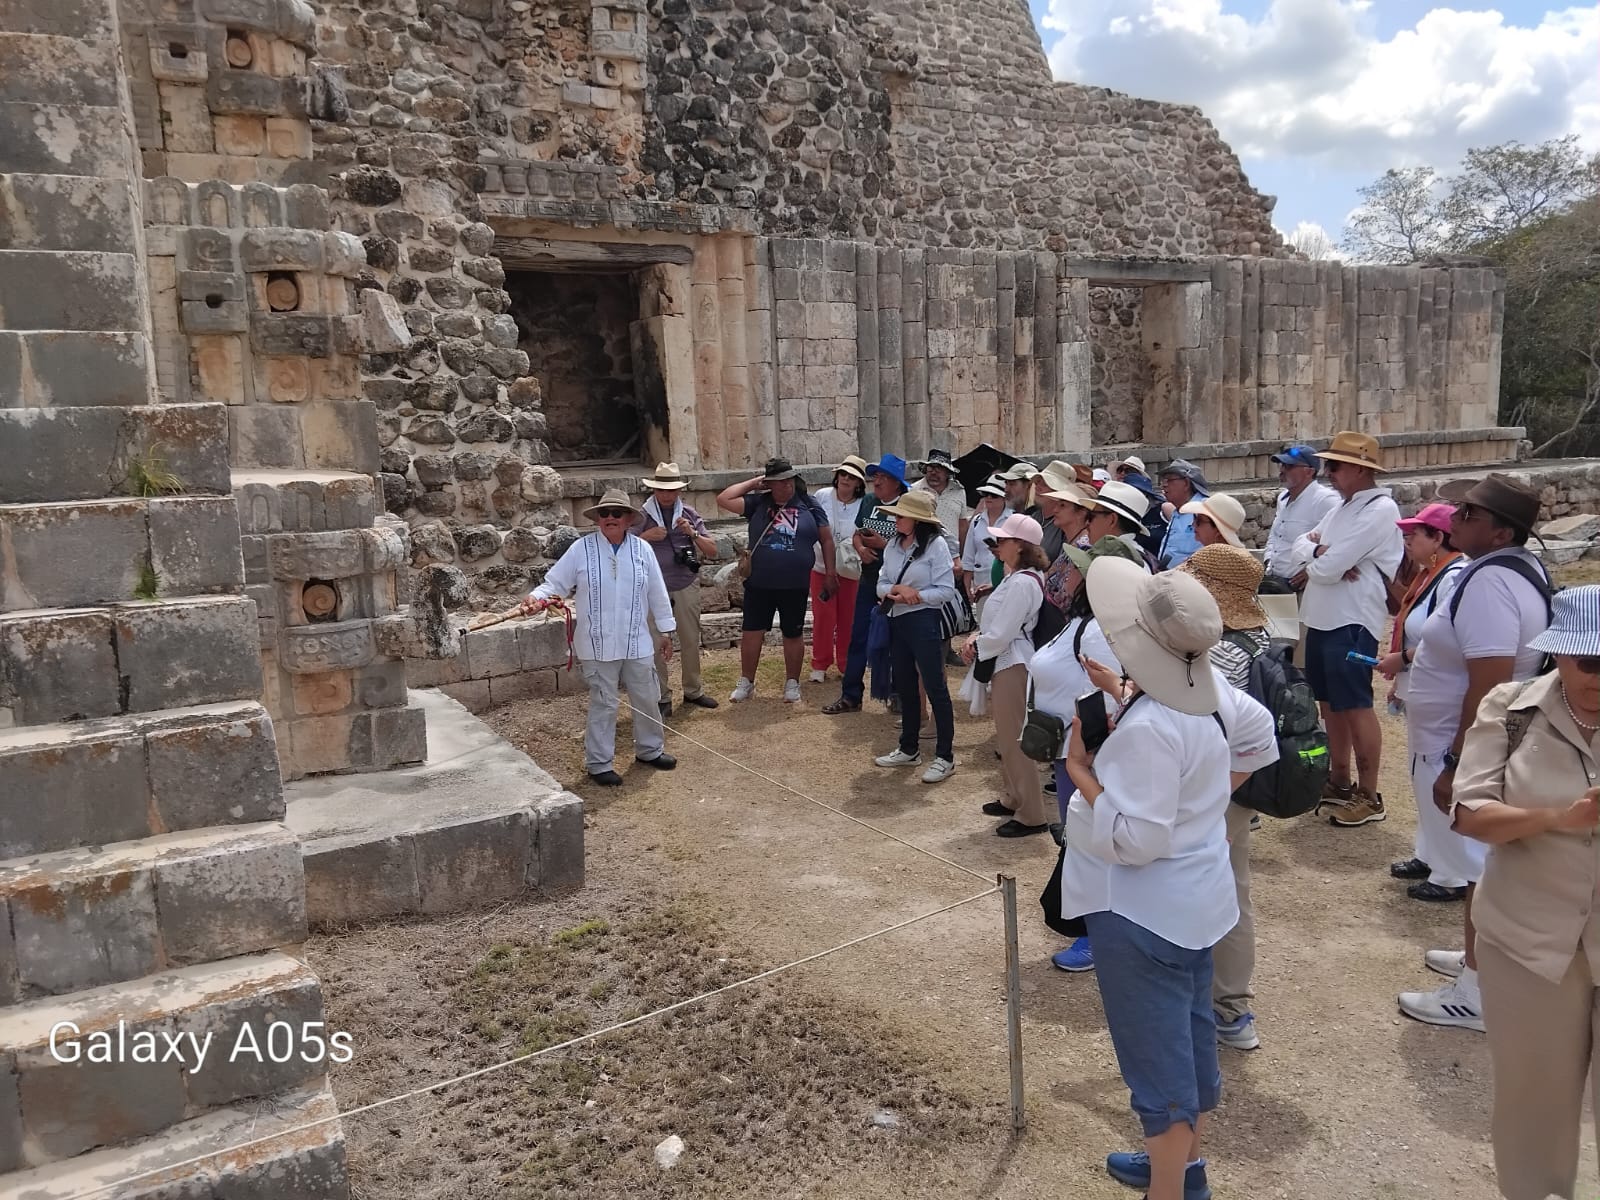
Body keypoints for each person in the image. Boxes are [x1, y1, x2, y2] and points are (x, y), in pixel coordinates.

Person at [1059, 560, 1277, 1200]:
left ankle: (1171, 1186)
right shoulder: (1211, 701)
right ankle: (1181, 1169)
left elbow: (1135, 842)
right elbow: (1254, 742)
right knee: (1190, 1039)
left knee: (1157, 1068)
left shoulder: (1153, 726)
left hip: (1141, 913)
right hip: (1197, 902)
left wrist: (1081, 771)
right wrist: (1201, 807)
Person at [1450, 587, 1600, 1200]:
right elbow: (1469, 813)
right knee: (1532, 1108)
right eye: (1590, 661)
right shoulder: (1512, 709)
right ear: (1560, 654)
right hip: (1528, 943)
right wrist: (1560, 819)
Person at [1396, 475, 1552, 1033]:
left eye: (1470, 512)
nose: (1455, 518)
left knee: (1475, 871)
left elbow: (1489, 682)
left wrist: (1458, 764)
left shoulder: (1488, 583)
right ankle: (1477, 960)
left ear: (1501, 530)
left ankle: (1476, 993)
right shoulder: (1511, 570)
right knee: (1478, 867)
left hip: (1459, 745)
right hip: (1469, 739)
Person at [1180, 544, 1276, 1053]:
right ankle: (1232, 1006)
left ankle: (1206, 1000)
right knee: (1235, 890)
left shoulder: (1215, 649)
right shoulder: (1259, 637)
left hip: (1214, 787)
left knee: (1198, 888)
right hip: (1241, 783)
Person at [1284, 431, 1403, 825]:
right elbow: (1301, 545)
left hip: (1352, 618)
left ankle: (1369, 794)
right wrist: (1319, 552)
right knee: (1329, 703)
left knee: (1354, 704)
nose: (1328, 472)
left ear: (1358, 468)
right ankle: (1340, 779)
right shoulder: (1342, 508)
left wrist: (1320, 561)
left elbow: (1331, 567)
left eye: (1334, 465)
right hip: (1321, 615)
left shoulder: (1380, 509)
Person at [522, 489, 677, 787]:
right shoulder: (581, 549)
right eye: (604, 514)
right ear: (598, 519)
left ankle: (650, 749)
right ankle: (599, 762)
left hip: (637, 640)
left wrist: (665, 631)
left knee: (647, 696)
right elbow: (554, 584)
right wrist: (534, 598)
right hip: (596, 642)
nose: (610, 518)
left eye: (616, 513)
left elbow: (657, 592)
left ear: (629, 519)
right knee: (604, 703)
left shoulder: (642, 551)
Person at [1376, 503, 1466, 883]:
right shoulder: (1432, 574)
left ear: (1439, 538)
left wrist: (1405, 659)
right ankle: (1430, 853)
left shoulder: (1454, 576)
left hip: (1444, 691)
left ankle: (1453, 872)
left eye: (1416, 534)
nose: (1407, 540)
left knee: (1436, 775)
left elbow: (1450, 637)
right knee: (1421, 773)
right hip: (1424, 687)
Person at [717, 458, 837, 704]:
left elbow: (826, 539)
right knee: (752, 631)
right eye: (781, 482)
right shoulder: (758, 503)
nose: (788, 486)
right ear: (770, 484)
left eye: (790, 480)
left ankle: (792, 682)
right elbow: (724, 499)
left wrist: (830, 573)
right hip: (760, 582)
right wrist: (753, 483)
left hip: (794, 583)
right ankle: (747, 681)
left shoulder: (809, 504)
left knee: (792, 633)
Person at [961, 513, 1049, 837]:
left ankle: (1031, 813)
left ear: (1021, 545)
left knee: (1015, 740)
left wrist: (974, 643)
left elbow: (1001, 634)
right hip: (1007, 661)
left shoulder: (1023, 582)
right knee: (1007, 737)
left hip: (1012, 663)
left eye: (1004, 540)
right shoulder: (1018, 577)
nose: (997, 545)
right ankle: (1015, 797)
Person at [871, 489, 959, 784]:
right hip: (897, 620)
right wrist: (894, 592)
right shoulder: (893, 545)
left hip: (923, 621)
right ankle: (909, 748)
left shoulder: (937, 546)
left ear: (918, 520)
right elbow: (881, 583)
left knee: (935, 687)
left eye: (902, 515)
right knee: (906, 686)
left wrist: (916, 595)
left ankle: (945, 756)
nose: (896, 519)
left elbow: (946, 590)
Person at [823, 455, 909, 716]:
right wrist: (860, 548)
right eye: (875, 476)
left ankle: (898, 694)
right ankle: (851, 695)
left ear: (896, 483)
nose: (876, 481)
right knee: (857, 636)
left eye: (882, 477)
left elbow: (912, 545)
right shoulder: (870, 502)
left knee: (897, 641)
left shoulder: (907, 506)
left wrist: (884, 546)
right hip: (869, 579)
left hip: (898, 583)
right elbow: (857, 532)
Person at [634, 462, 720, 718]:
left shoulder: (689, 513)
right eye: (662, 490)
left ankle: (693, 690)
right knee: (654, 643)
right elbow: (623, 546)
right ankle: (661, 696)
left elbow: (712, 550)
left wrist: (691, 533)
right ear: (654, 490)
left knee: (690, 638)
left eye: (671, 490)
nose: (667, 495)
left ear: (678, 491)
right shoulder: (641, 516)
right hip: (652, 588)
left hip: (684, 584)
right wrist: (647, 536)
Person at [808, 455, 869, 684]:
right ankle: (820, 663)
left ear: (858, 483)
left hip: (850, 568)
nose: (845, 479)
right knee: (823, 616)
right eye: (843, 474)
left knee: (848, 618)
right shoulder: (823, 496)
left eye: (851, 477)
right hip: (821, 565)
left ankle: (846, 662)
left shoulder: (864, 503)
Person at [1262, 446, 1339, 591]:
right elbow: (1275, 536)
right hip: (1275, 582)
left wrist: (1313, 571)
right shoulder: (1283, 499)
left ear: (1309, 472)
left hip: (1304, 588)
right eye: (1282, 465)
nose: (1282, 470)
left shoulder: (1325, 500)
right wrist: (1268, 560)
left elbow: (1338, 544)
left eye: (1289, 466)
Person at [961, 475, 1010, 612]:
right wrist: (967, 585)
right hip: (980, 581)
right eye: (986, 494)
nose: (988, 498)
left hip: (1005, 580)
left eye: (993, 495)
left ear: (1004, 498)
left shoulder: (1013, 519)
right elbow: (968, 556)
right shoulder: (976, 521)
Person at [910, 448, 969, 561]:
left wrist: (962, 557)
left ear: (948, 472)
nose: (933, 472)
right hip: (923, 555)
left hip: (952, 556)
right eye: (931, 467)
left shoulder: (959, 491)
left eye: (939, 468)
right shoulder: (914, 490)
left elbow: (962, 524)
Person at [1156, 460, 1210, 569]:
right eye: (1163, 481)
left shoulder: (1204, 510)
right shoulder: (1178, 510)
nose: (1164, 485)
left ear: (1186, 483)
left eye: (1169, 480)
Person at [1179, 493, 1248, 551]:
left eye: (1199, 521)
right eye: (1195, 517)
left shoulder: (1224, 563)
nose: (1193, 524)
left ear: (1218, 532)